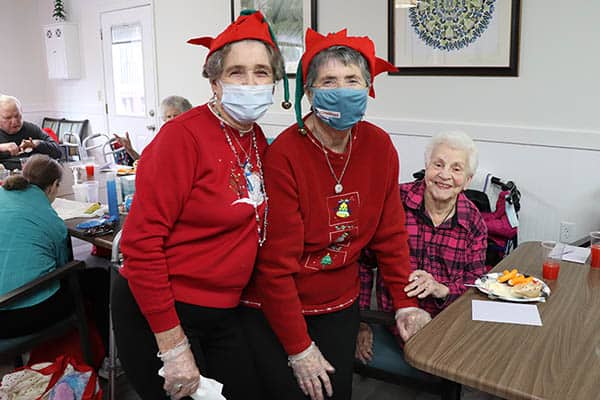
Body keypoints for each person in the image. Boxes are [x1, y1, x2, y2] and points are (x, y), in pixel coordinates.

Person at [239, 28, 431, 400]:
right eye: (329, 81)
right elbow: (275, 267)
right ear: (309, 92)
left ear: (368, 87)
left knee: (335, 393)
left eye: (352, 80)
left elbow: (391, 235)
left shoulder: (378, 145)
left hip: (340, 303)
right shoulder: (285, 156)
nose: (342, 90)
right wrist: (298, 348)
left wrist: (406, 304)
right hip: (278, 307)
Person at [112, 10, 290, 400]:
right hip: (162, 312)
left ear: (275, 81)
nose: (250, 82)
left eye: (261, 72)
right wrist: (174, 347)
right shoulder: (181, 138)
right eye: (237, 72)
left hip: (223, 311)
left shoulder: (257, 140)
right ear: (214, 80)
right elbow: (141, 245)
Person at [355, 131, 488, 377]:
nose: (445, 175)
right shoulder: (394, 201)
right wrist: (362, 321)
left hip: (450, 323)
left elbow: (476, 284)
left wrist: (442, 289)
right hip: (400, 321)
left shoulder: (473, 221)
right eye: (438, 164)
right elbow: (361, 263)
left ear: (467, 180)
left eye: (456, 169)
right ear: (427, 167)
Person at [0, 155, 109, 353]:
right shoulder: (51, 220)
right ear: (53, 186)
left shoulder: (3, 195)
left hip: (4, 303)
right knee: (99, 278)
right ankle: (106, 352)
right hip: (17, 315)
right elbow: (63, 269)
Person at [112, 95, 193, 161]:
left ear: (185, 116)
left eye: (176, 116)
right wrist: (129, 149)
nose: (172, 120)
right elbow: (146, 164)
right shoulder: (163, 139)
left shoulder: (190, 138)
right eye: (168, 116)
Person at [0, 95, 63, 170]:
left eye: (17, 116)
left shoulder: (31, 129)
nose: (14, 121)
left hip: (33, 175)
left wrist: (36, 144)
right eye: (8, 118)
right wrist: (1, 147)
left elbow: (58, 152)